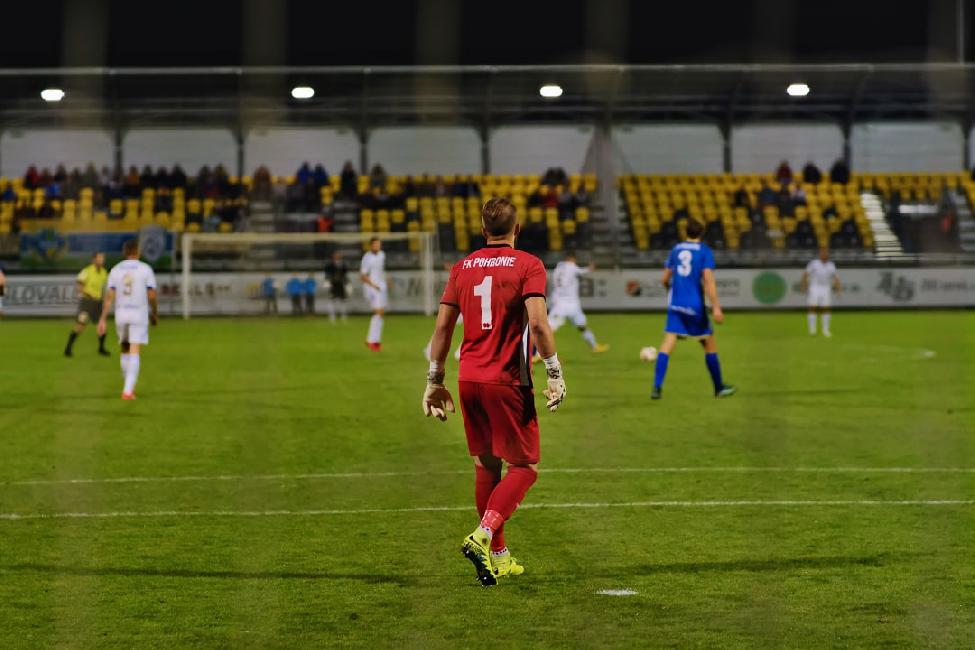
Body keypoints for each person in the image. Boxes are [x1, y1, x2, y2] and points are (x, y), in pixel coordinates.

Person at [422, 197, 566, 586]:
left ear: (483, 231)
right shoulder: (528, 265)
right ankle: (483, 534)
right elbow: (538, 323)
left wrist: (434, 381)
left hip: (469, 379)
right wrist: (554, 371)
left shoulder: (462, 267)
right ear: (516, 229)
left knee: (486, 465)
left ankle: (499, 557)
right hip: (508, 380)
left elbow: (442, 329)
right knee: (524, 467)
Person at [651, 218, 736, 400]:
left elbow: (664, 279)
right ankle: (719, 388)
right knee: (708, 344)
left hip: (676, 304)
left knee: (668, 342)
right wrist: (716, 307)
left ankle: (657, 386)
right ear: (702, 233)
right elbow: (709, 281)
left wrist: (670, 291)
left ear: (685, 232)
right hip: (695, 305)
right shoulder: (704, 251)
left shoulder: (676, 249)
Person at [97, 240, 158, 400]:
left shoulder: (116, 269)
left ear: (124, 252)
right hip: (138, 314)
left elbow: (109, 296)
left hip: (121, 314)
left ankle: (128, 386)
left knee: (125, 349)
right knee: (134, 350)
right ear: (138, 252)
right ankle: (127, 391)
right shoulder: (145, 269)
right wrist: (154, 313)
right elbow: (152, 295)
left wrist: (103, 318)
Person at [548, 252, 609, 353]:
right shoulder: (571, 266)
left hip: (560, 303)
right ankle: (543, 354)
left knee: (551, 329)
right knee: (581, 327)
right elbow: (586, 271)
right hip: (570, 304)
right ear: (572, 259)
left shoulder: (557, 269)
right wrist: (592, 265)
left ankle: (595, 346)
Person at [64, 252, 110, 357]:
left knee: (102, 325)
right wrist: (87, 294)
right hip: (87, 302)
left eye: (102, 258)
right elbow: (79, 286)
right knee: (81, 325)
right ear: (93, 260)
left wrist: (102, 298)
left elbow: (103, 287)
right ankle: (68, 348)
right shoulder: (86, 271)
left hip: (98, 303)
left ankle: (101, 348)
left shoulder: (104, 272)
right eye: (99, 258)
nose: (101, 260)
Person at [802, 248, 841, 337]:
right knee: (812, 308)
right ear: (820, 254)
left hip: (826, 288)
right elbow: (805, 274)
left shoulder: (831, 265)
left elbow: (835, 278)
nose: (824, 255)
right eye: (823, 253)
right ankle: (812, 330)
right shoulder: (813, 263)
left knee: (826, 308)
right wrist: (804, 285)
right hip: (814, 287)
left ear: (828, 255)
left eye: (826, 253)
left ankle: (825, 330)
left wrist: (838, 289)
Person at [360, 237, 387, 351]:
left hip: (380, 287)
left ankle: (374, 340)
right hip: (372, 288)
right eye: (375, 244)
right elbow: (363, 276)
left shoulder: (382, 255)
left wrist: (386, 280)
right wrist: (373, 285)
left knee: (381, 313)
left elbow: (380, 271)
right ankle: (372, 341)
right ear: (371, 245)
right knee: (378, 312)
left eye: (379, 244)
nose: (377, 246)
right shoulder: (367, 257)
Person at [324, 251, 350, 323]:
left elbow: (345, 275)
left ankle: (343, 316)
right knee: (331, 300)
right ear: (333, 256)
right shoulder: (329, 265)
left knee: (343, 301)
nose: (337, 257)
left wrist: (346, 283)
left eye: (339, 255)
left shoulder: (343, 265)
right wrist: (328, 282)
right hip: (333, 285)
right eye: (336, 255)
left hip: (341, 285)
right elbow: (327, 275)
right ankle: (332, 316)